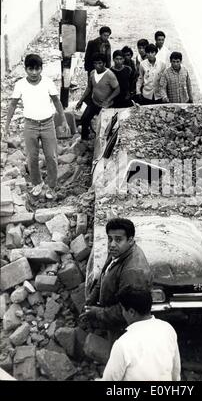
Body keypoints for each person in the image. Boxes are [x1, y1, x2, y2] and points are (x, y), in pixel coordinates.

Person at [3, 54, 70, 200]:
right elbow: (13, 105)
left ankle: (51, 186)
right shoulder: (20, 84)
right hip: (30, 125)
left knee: (51, 157)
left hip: (48, 124)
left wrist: (64, 121)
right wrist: (6, 126)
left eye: (37, 69)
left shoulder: (47, 82)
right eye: (30, 69)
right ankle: (37, 183)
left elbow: (57, 102)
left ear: (41, 69)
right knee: (31, 158)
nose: (34, 72)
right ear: (25, 69)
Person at [80, 218, 153, 347]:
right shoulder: (118, 250)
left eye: (118, 239)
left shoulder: (133, 271)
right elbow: (105, 273)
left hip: (123, 328)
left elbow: (127, 310)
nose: (112, 244)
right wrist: (91, 299)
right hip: (110, 316)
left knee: (119, 355)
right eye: (109, 239)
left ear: (130, 240)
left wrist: (96, 312)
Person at [101, 286, 181, 381]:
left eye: (122, 309)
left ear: (131, 312)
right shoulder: (167, 329)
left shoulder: (123, 344)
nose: (122, 313)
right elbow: (176, 373)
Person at [76, 53, 120, 140]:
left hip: (105, 105)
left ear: (104, 63)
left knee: (103, 127)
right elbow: (89, 88)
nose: (97, 66)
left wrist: (108, 100)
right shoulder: (92, 73)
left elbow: (117, 89)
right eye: (95, 63)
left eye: (100, 63)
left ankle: (101, 144)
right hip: (94, 102)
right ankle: (84, 139)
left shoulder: (109, 75)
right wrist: (80, 101)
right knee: (84, 119)